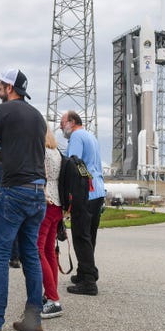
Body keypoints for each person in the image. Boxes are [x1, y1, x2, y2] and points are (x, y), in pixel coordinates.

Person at [0, 68, 47, 331]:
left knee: (1, 255)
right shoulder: (38, 116)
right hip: (38, 192)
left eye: (1, 85)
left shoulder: (1, 111)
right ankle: (34, 320)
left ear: (8, 87)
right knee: (31, 255)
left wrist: (7, 156)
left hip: (14, 190)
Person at [60, 110, 105, 296]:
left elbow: (74, 164)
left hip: (85, 192)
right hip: (98, 190)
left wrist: (67, 191)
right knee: (89, 236)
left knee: (80, 236)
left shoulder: (77, 136)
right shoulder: (90, 136)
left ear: (71, 122)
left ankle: (88, 282)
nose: (61, 127)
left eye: (62, 123)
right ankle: (86, 272)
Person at [38, 125, 64, 318]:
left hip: (47, 200)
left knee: (38, 250)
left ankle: (53, 298)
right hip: (58, 203)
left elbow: (43, 176)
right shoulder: (56, 151)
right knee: (49, 251)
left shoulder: (42, 151)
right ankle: (51, 294)